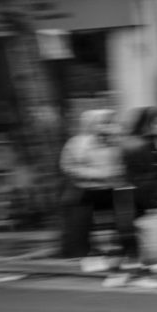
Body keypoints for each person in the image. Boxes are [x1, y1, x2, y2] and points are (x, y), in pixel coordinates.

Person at [114, 107, 157, 288]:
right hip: (139, 196)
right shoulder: (142, 145)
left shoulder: (135, 142)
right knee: (143, 238)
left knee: (134, 237)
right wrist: (156, 202)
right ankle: (140, 275)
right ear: (148, 124)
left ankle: (126, 274)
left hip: (131, 195)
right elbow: (147, 177)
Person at [59, 109, 123, 263]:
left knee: (107, 225)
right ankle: (82, 256)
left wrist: (113, 173)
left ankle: (105, 253)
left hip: (107, 191)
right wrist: (96, 174)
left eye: (107, 122)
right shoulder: (77, 143)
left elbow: (119, 165)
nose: (105, 126)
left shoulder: (113, 142)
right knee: (83, 227)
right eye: (102, 122)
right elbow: (67, 166)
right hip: (83, 192)